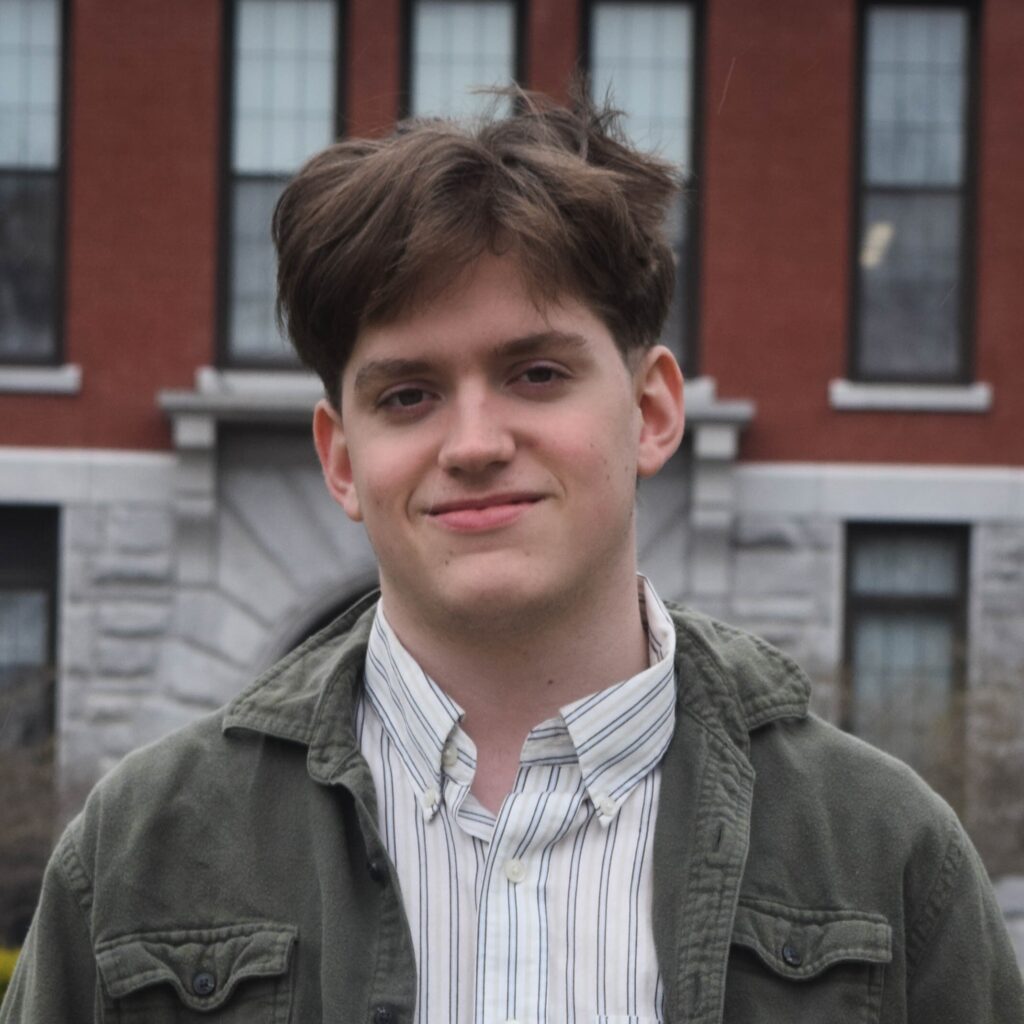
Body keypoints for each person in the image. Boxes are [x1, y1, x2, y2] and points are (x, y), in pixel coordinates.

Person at [3, 88, 1022, 1024]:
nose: (476, 441)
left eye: (535, 373)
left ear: (652, 412)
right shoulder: (137, 862)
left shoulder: (884, 858)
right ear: (342, 457)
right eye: (408, 393)